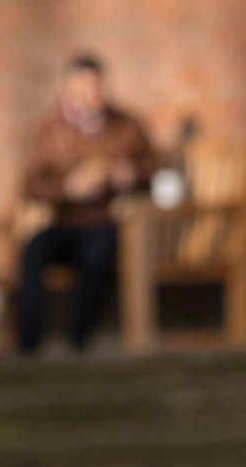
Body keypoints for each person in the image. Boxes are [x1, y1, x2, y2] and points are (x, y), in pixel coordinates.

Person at [14, 53, 155, 353]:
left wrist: (129, 175)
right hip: (63, 221)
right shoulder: (49, 130)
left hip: (106, 221)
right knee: (32, 252)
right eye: (85, 88)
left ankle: (78, 342)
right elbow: (30, 183)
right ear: (67, 89)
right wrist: (67, 188)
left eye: (97, 86)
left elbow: (152, 168)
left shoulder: (126, 125)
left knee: (98, 255)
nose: (94, 94)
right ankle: (27, 348)